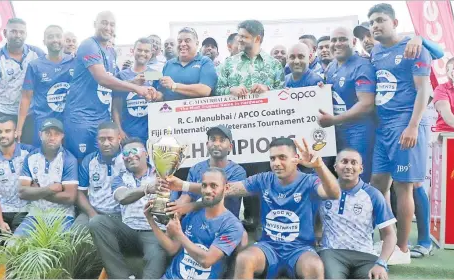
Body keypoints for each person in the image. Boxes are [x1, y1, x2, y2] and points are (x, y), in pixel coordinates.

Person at [163, 138, 341, 279]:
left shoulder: (308, 181)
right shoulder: (264, 179)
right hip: (268, 247)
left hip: (300, 248)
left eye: (282, 157)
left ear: (295, 159)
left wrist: (319, 166)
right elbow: (226, 188)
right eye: (272, 158)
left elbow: (333, 193)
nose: (276, 163)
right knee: (244, 259)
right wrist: (184, 185)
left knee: (315, 267)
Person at [368, 3, 433, 263]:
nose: (375, 25)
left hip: (406, 126)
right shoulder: (375, 51)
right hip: (382, 128)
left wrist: (413, 125)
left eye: (381, 20)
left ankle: (402, 248)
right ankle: (388, 239)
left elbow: (423, 90)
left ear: (395, 23)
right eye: (372, 22)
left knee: (404, 188)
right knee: (378, 185)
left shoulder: (414, 48)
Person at [63, 11, 156, 160]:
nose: (108, 28)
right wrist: (136, 87)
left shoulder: (153, 72)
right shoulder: (89, 45)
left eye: (112, 24)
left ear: (152, 54)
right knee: (82, 162)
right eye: (104, 23)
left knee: (101, 164)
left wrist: (140, 86)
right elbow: (103, 79)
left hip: (103, 119)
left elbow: (162, 85)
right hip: (82, 118)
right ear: (133, 51)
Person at [146, 167, 245, 279]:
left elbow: (206, 260)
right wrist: (151, 220)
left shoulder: (232, 225)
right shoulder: (193, 214)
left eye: (213, 186)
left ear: (225, 188)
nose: (207, 190)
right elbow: (172, 249)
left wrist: (179, 234)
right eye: (204, 185)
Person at [94, 137, 166, 278]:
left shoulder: (161, 175)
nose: (130, 156)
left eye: (134, 151)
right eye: (125, 154)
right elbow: (122, 197)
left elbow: (165, 215)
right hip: (128, 231)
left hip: (153, 231)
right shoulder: (119, 178)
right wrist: (146, 189)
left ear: (146, 154)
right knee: (97, 222)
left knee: (156, 254)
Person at [319, 149, 397, 279]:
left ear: (361, 169)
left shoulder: (373, 195)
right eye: (344, 162)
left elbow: (390, 235)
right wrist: (317, 233)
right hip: (332, 253)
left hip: (365, 255)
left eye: (354, 163)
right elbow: (315, 214)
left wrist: (381, 263)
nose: (349, 166)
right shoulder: (324, 191)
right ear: (335, 167)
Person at [318, 26, 377, 182]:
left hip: (358, 135)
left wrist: (335, 120)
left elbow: (366, 104)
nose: (337, 43)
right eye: (334, 40)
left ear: (353, 41)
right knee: (340, 182)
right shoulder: (331, 67)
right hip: (337, 136)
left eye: (342, 39)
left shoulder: (362, 66)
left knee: (357, 182)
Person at [0, 116, 34, 279]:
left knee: (14, 254)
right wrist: (0, 221)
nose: (3, 135)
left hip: (26, 212)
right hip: (3, 213)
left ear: (16, 133)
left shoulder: (30, 153)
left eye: (7, 131)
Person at [0, 18, 45, 147]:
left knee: (29, 153)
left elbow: (53, 63)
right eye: (14, 31)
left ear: (26, 34)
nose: (18, 35)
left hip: (29, 114)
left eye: (22, 32)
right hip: (4, 113)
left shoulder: (37, 53)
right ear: (5, 33)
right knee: (4, 154)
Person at [17, 118, 78, 235]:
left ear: (62, 136)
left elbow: (70, 197)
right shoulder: (31, 158)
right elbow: (22, 193)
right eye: (48, 133)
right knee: (13, 246)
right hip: (35, 215)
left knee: (63, 250)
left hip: (62, 215)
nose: (52, 137)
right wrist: (50, 189)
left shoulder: (69, 159)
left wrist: (37, 191)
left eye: (56, 134)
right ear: (40, 135)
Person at [18, 25, 74, 148]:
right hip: (43, 122)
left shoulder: (75, 62)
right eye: (50, 37)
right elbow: (26, 98)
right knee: (42, 160)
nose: (55, 40)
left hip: (69, 122)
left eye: (58, 36)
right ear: (44, 42)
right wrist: (19, 129)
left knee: (68, 158)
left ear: (63, 40)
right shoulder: (35, 66)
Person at [175, 125, 246, 218]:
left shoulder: (237, 172)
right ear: (207, 144)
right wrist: (172, 210)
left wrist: (188, 205)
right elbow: (184, 198)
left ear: (230, 147)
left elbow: (217, 197)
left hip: (224, 228)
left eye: (222, 140)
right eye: (213, 139)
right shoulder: (196, 169)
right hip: (194, 228)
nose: (216, 144)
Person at [74, 122, 125, 228]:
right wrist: (93, 215)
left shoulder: (128, 158)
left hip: (121, 214)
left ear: (119, 138)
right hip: (94, 211)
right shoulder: (89, 160)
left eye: (110, 139)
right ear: (97, 141)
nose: (106, 143)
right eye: (102, 139)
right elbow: (80, 193)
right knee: (75, 234)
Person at [112, 38, 162, 144]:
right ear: (133, 51)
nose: (142, 53)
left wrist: (155, 95)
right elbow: (115, 107)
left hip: (151, 133)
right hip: (128, 133)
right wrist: (119, 130)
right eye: (139, 50)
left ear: (151, 53)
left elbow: (161, 100)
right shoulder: (121, 75)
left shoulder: (155, 74)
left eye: (146, 51)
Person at [216, 20, 284, 97]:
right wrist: (231, 90)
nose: (239, 39)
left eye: (243, 36)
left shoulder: (275, 65)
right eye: (239, 36)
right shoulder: (228, 63)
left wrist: (267, 90)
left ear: (257, 39)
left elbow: (282, 93)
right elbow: (217, 90)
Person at [155, 27, 218, 101]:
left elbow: (205, 90)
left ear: (197, 44)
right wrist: (155, 95)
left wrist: (174, 86)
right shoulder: (169, 64)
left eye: (187, 41)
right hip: (171, 111)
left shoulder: (205, 62)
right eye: (179, 41)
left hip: (197, 111)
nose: (183, 44)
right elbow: (162, 93)